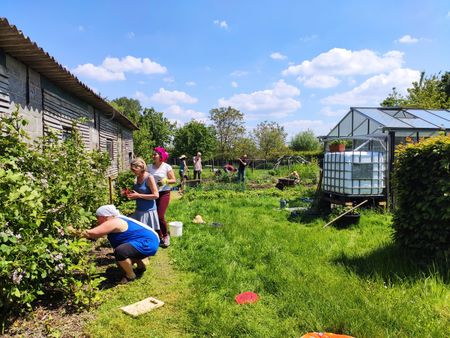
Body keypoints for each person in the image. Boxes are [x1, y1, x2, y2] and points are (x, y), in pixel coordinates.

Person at [82, 205, 160, 284]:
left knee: (121, 251)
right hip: (149, 241)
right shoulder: (118, 219)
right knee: (128, 247)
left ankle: (130, 276)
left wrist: (72, 231)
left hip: (147, 244)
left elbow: (92, 233)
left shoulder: (113, 222)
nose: (97, 220)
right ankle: (141, 267)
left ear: (104, 216)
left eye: (98, 217)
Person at [147, 147, 176, 248]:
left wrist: (165, 181)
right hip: (152, 193)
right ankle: (158, 236)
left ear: (161, 156)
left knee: (160, 216)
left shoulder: (167, 167)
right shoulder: (149, 167)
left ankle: (165, 235)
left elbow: (174, 180)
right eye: (153, 154)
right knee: (153, 216)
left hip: (164, 193)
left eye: (155, 154)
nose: (153, 156)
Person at [123, 158, 160, 232]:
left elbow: (156, 195)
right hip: (139, 210)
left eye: (134, 170)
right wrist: (127, 193)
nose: (133, 172)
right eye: (132, 170)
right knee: (140, 233)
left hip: (148, 211)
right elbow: (137, 193)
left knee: (147, 233)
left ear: (141, 167)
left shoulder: (149, 178)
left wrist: (138, 195)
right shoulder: (137, 177)